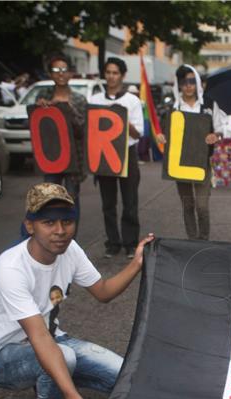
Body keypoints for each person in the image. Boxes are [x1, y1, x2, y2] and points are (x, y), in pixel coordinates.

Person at [0, 183, 155, 399]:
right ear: (30, 225)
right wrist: (72, 397)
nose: (60, 230)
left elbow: (103, 292)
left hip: (52, 340)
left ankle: (55, 382)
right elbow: (38, 337)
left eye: (67, 221)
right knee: (63, 356)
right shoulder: (10, 268)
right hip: (2, 356)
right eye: (48, 222)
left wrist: (136, 263)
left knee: (126, 378)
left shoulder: (70, 251)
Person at [156, 64, 227, 241]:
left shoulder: (209, 105)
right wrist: (161, 137)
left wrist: (215, 136)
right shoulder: (173, 107)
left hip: (202, 163)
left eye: (191, 81)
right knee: (187, 204)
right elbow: (165, 132)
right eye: (183, 81)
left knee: (202, 205)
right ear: (178, 84)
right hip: (180, 164)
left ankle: (203, 239)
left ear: (196, 82)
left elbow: (220, 130)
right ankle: (192, 240)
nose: (188, 85)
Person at [89, 58, 144, 259]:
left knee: (130, 201)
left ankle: (130, 243)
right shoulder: (95, 100)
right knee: (108, 202)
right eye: (108, 72)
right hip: (104, 154)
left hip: (127, 153)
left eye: (115, 73)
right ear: (105, 74)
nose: (111, 76)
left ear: (122, 75)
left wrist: (124, 121)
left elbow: (139, 135)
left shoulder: (133, 101)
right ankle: (113, 243)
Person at [36, 55, 87, 228]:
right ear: (50, 74)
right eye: (56, 70)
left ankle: (72, 240)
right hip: (51, 156)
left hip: (74, 158)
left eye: (64, 70)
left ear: (71, 73)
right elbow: (37, 126)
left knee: (72, 198)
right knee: (51, 198)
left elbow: (83, 130)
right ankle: (53, 236)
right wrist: (44, 107)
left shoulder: (79, 99)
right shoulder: (43, 96)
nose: (61, 74)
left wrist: (69, 109)